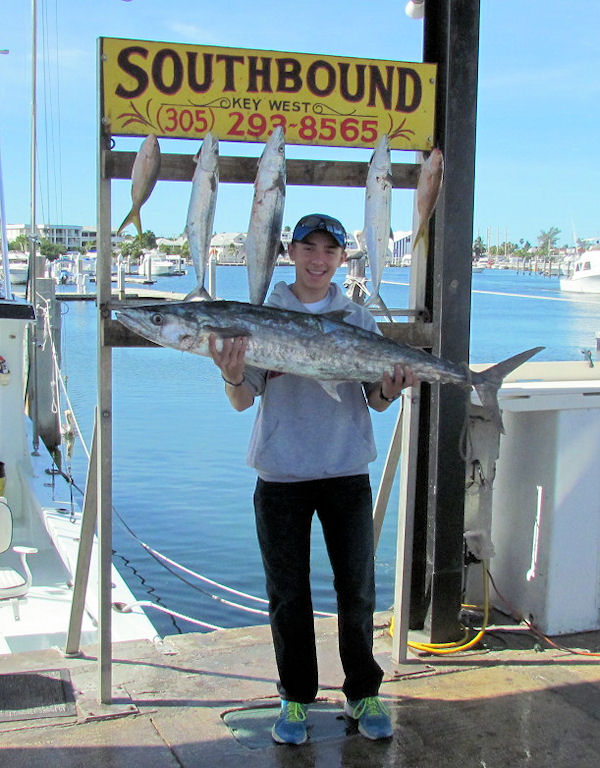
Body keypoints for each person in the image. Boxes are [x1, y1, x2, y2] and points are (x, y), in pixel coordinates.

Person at [209, 213, 417, 745]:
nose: (318, 259)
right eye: (309, 248)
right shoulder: (259, 315)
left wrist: (393, 387)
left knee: (357, 591)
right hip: (280, 473)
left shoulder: (358, 317)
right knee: (288, 595)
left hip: (346, 469)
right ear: (292, 253)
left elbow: (375, 399)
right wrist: (231, 371)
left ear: (341, 259)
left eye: (329, 250)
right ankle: (295, 698)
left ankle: (363, 690)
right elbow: (240, 400)